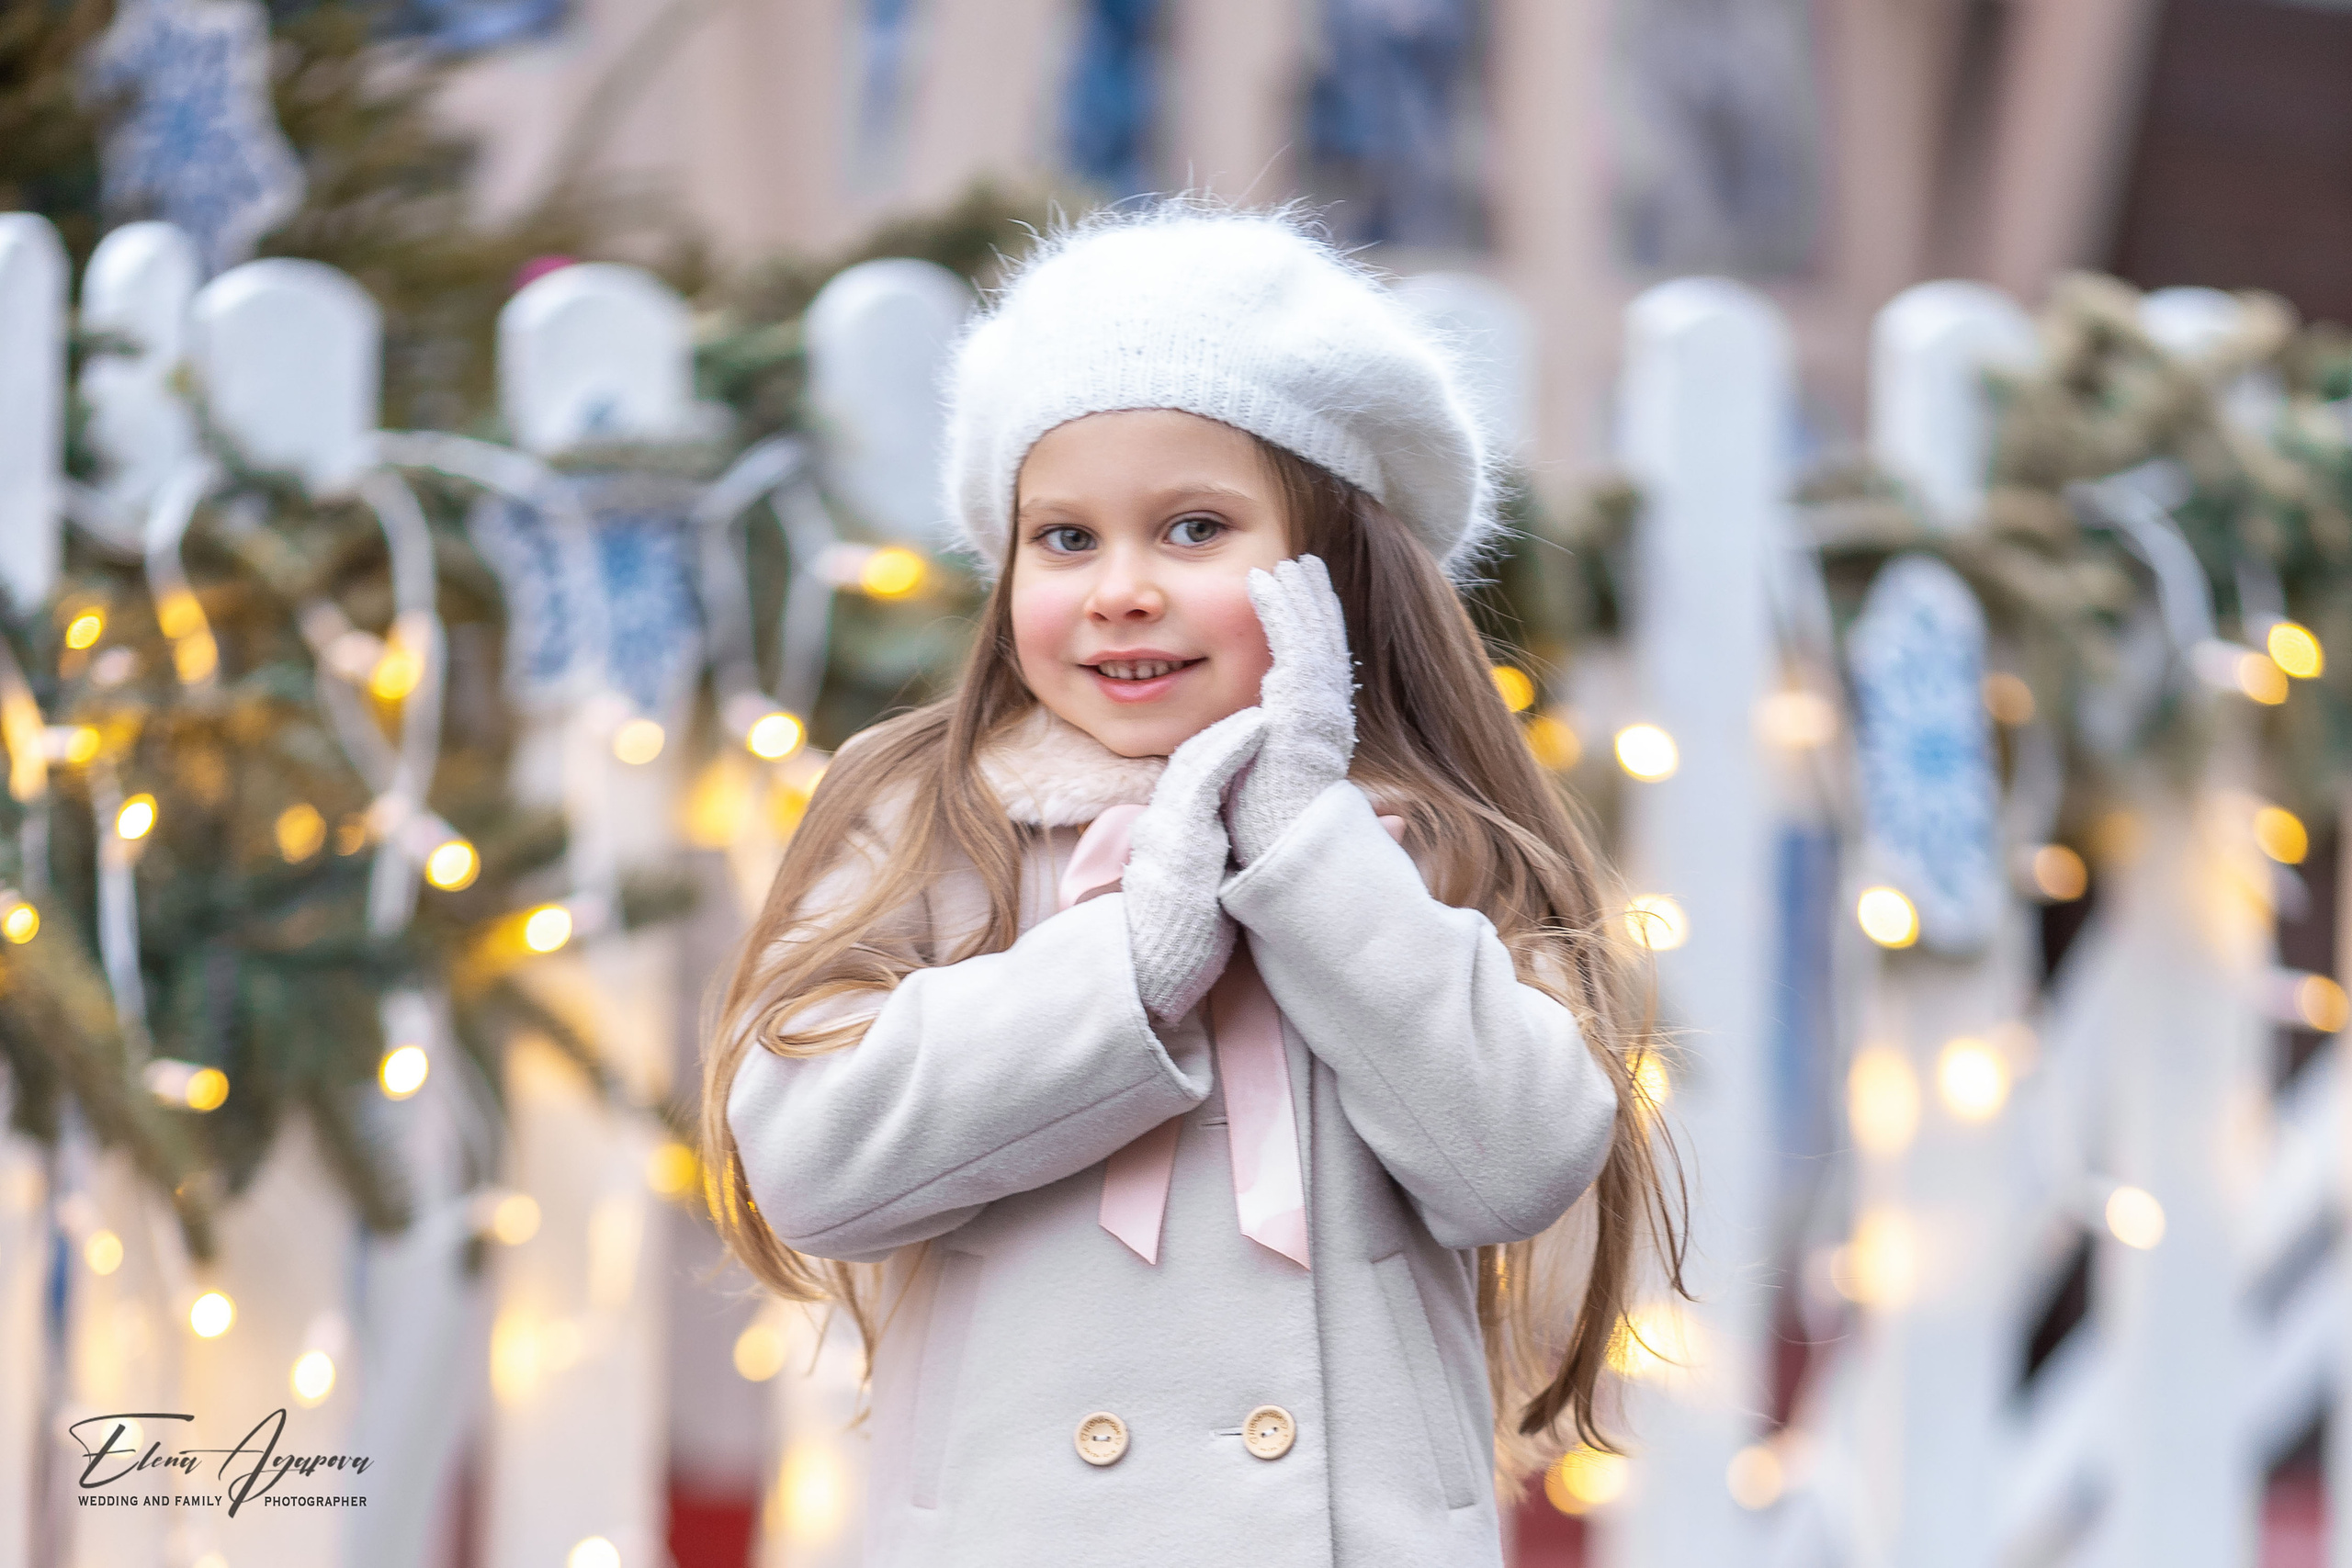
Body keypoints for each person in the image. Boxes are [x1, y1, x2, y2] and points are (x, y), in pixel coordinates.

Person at [702, 201, 1685, 1565]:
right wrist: (1122, 972)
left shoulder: (1419, 847)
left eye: (1192, 528)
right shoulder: (941, 823)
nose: (1120, 589)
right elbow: (807, 1161)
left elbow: (1516, 1160)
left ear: (1336, 568)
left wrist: (1306, 851)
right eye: (1065, 539)